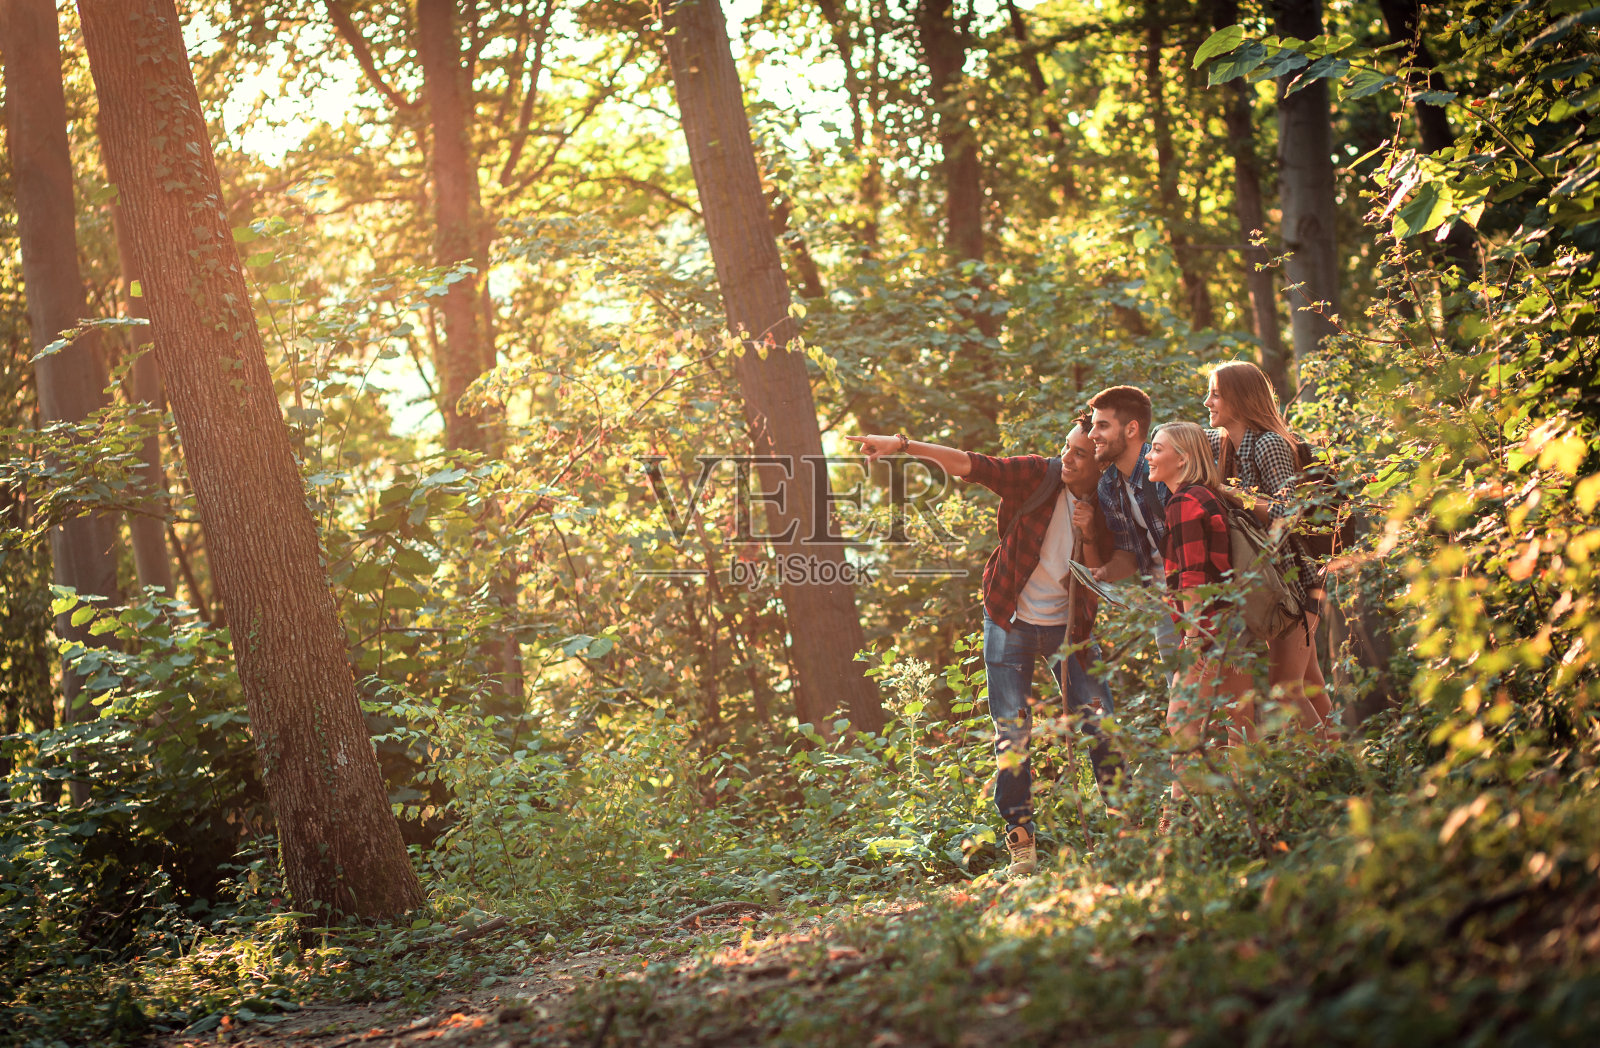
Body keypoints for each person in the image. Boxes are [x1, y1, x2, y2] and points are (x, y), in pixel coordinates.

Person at [846, 420, 1124, 878]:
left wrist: (1091, 530)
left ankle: (1123, 831)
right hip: (1009, 616)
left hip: (1069, 627)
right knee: (1012, 730)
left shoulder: (1112, 501)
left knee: (1099, 720)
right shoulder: (1038, 474)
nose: (1067, 458)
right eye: (1066, 447)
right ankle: (1021, 841)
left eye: (1079, 453)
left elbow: (1102, 573)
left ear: (1100, 463)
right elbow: (968, 464)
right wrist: (901, 444)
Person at [1202, 361, 1332, 741]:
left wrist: (1230, 493)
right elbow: (1179, 449)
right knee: (1308, 684)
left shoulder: (1270, 444)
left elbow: (1287, 513)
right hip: (1267, 582)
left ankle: (1328, 768)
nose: (1207, 402)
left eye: (1215, 394)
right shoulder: (1218, 443)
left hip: (1296, 581)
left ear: (1240, 399)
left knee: (1286, 689)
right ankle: (1344, 764)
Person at [1145, 421, 1257, 829]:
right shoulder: (1209, 497)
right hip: (1235, 625)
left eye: (1157, 449)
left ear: (1183, 458)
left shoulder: (1184, 502)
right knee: (1242, 723)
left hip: (1207, 630)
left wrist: (1193, 638)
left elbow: (1193, 577)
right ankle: (1251, 814)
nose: (1149, 456)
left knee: (1182, 724)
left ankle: (1179, 824)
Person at [1085, 385, 1179, 669]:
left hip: (1203, 598)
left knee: (1221, 689)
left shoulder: (1168, 466)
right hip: (1163, 606)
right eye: (1093, 426)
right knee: (1180, 691)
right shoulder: (1109, 484)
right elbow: (1128, 552)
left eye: (1102, 425)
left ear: (1131, 429)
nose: (1092, 435)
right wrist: (1104, 573)